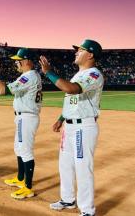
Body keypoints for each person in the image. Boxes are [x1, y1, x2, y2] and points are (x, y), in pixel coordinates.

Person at [39, 39, 103, 216]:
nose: (76, 52)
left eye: (80, 50)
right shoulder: (78, 74)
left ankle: (87, 210)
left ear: (90, 54)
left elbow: (71, 89)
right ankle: (67, 199)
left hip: (84, 127)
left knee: (83, 168)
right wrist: (61, 119)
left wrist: (49, 73)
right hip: (70, 127)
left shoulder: (94, 74)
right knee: (65, 165)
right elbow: (72, 101)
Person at [0, 48, 42, 199]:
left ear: (27, 61)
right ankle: (20, 179)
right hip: (23, 117)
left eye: (18, 60)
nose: (16, 63)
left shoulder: (29, 76)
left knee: (25, 151)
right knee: (19, 149)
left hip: (27, 118)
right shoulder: (30, 76)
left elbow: (2, 90)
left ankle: (28, 187)